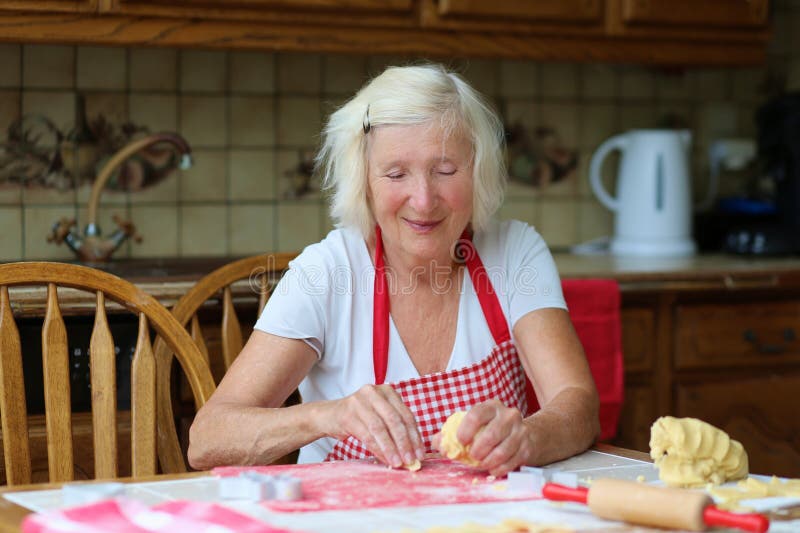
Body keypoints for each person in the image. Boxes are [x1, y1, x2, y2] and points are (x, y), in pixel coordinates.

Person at [188, 63, 600, 477]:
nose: (423, 200)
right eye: (396, 174)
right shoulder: (327, 272)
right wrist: (326, 417)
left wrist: (529, 437)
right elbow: (208, 439)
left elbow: (576, 403)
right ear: (364, 182)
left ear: (477, 172)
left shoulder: (514, 252)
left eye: (445, 171)